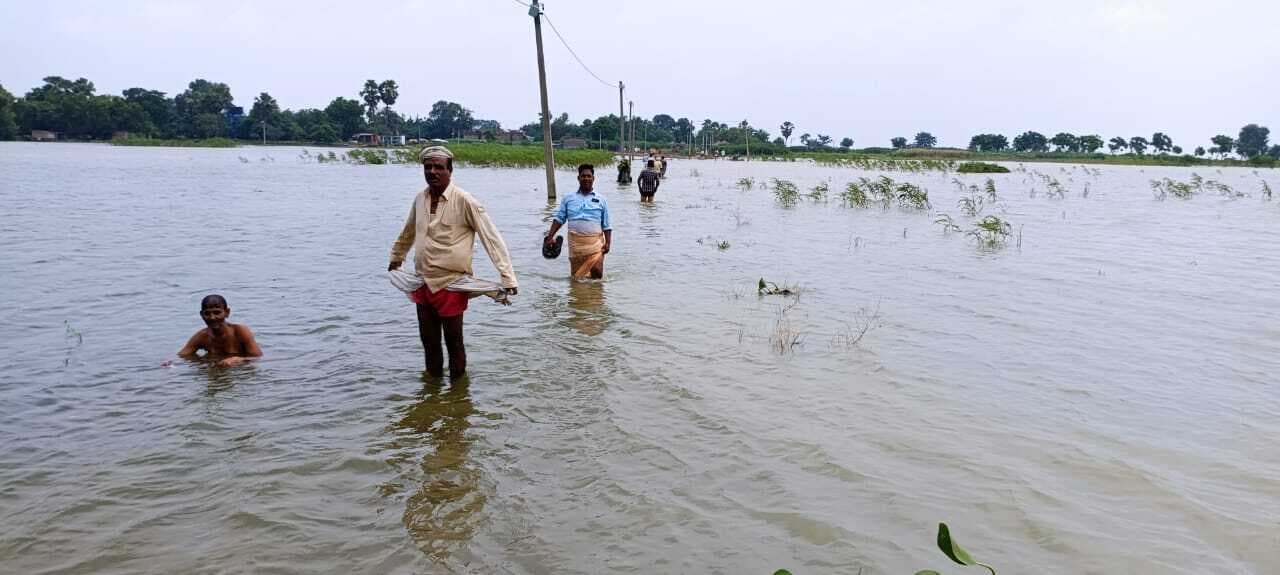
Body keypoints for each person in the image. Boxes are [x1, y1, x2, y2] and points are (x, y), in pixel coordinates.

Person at [389, 146, 518, 378]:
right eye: (428, 167)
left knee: (454, 342)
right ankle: (433, 391)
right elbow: (408, 232)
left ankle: (458, 392)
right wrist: (397, 257)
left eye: (438, 167)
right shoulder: (420, 199)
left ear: (450, 170)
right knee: (428, 342)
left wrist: (507, 276)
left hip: (451, 284)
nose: (432, 172)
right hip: (422, 282)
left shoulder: (465, 201)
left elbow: (491, 237)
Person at [544, 164, 612, 279]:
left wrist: (608, 242)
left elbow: (606, 225)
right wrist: (550, 236)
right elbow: (559, 219)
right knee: (577, 278)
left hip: (595, 244)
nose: (586, 178)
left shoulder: (602, 200)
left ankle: (595, 291)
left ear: (593, 178)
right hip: (576, 245)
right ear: (578, 178)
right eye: (583, 176)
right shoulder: (568, 198)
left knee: (597, 272)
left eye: (589, 176)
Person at [177, 294, 262, 367]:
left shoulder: (240, 331)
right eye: (207, 313)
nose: (212, 318)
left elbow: (259, 357)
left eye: (217, 312)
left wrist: (238, 359)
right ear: (201, 315)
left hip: (239, 371)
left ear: (227, 312)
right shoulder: (202, 336)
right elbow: (182, 356)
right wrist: (172, 363)